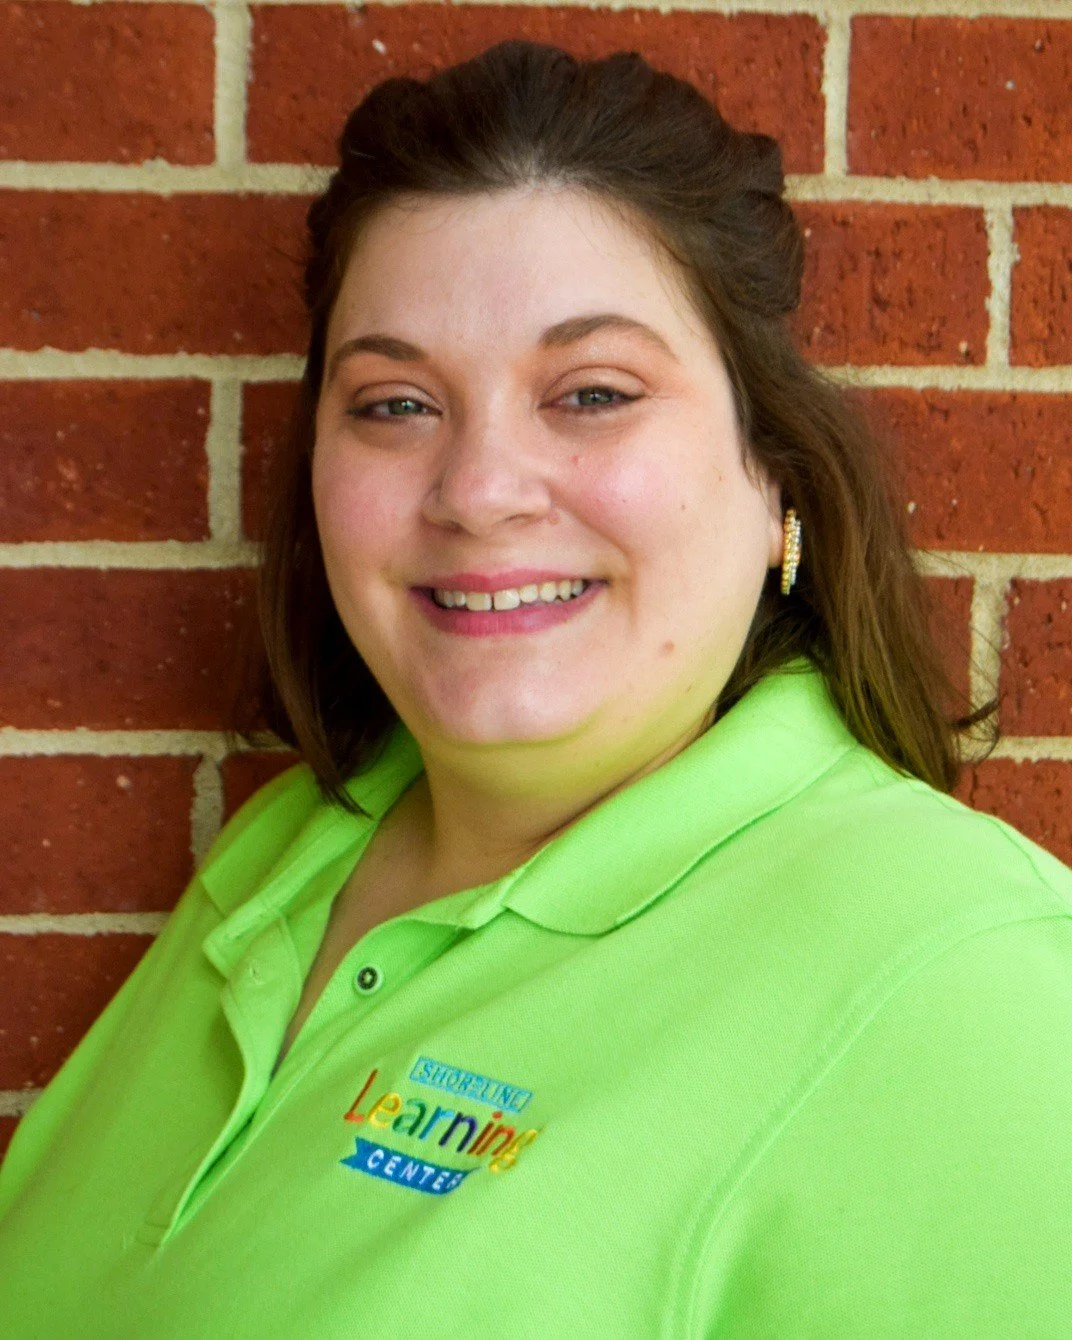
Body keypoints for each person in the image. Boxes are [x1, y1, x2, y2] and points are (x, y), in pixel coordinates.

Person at [1, 38, 1070, 1338]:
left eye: (592, 394)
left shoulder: (958, 981)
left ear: (775, 476)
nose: (478, 491)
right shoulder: (287, 854)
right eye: (396, 404)